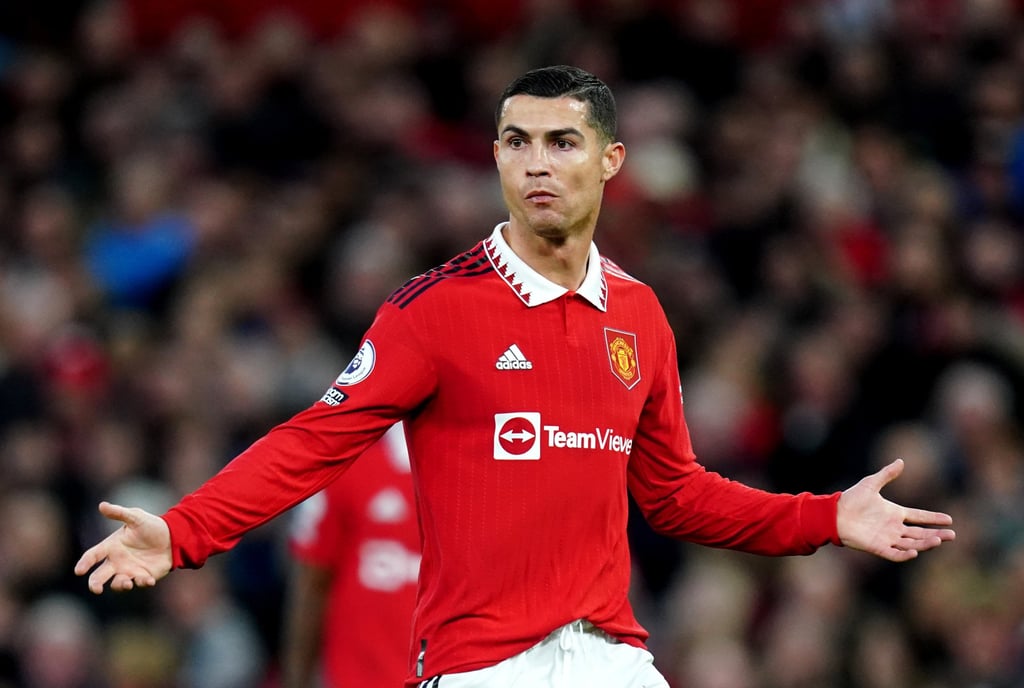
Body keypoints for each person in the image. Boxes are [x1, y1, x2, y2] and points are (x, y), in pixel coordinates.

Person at [75, 65, 955, 688]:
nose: (537, 162)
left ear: (609, 161)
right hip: (482, 669)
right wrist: (184, 531)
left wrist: (826, 516)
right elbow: (313, 442)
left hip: (612, 659)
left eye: (562, 142)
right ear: (495, 159)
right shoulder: (435, 310)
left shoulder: (640, 315)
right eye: (516, 142)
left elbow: (676, 494)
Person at [281, 421, 419, 688]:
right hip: (360, 678)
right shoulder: (347, 465)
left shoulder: (482, 467)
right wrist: (296, 679)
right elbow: (311, 583)